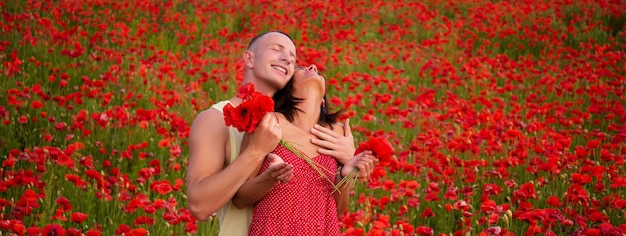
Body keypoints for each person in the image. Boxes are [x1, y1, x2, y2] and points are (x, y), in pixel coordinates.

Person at [186, 32, 358, 236]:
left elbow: (330, 209)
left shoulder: (307, 127)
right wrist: (256, 151)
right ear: (249, 58)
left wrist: (350, 162)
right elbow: (199, 206)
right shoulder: (215, 119)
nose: (287, 59)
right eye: (276, 49)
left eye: (293, 59)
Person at [232, 65, 378, 236]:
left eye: (319, 72)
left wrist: (345, 177)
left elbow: (336, 212)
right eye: (300, 68)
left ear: (323, 101)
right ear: (286, 90)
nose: (313, 67)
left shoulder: (338, 133)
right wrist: (270, 178)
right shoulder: (268, 123)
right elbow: (240, 199)